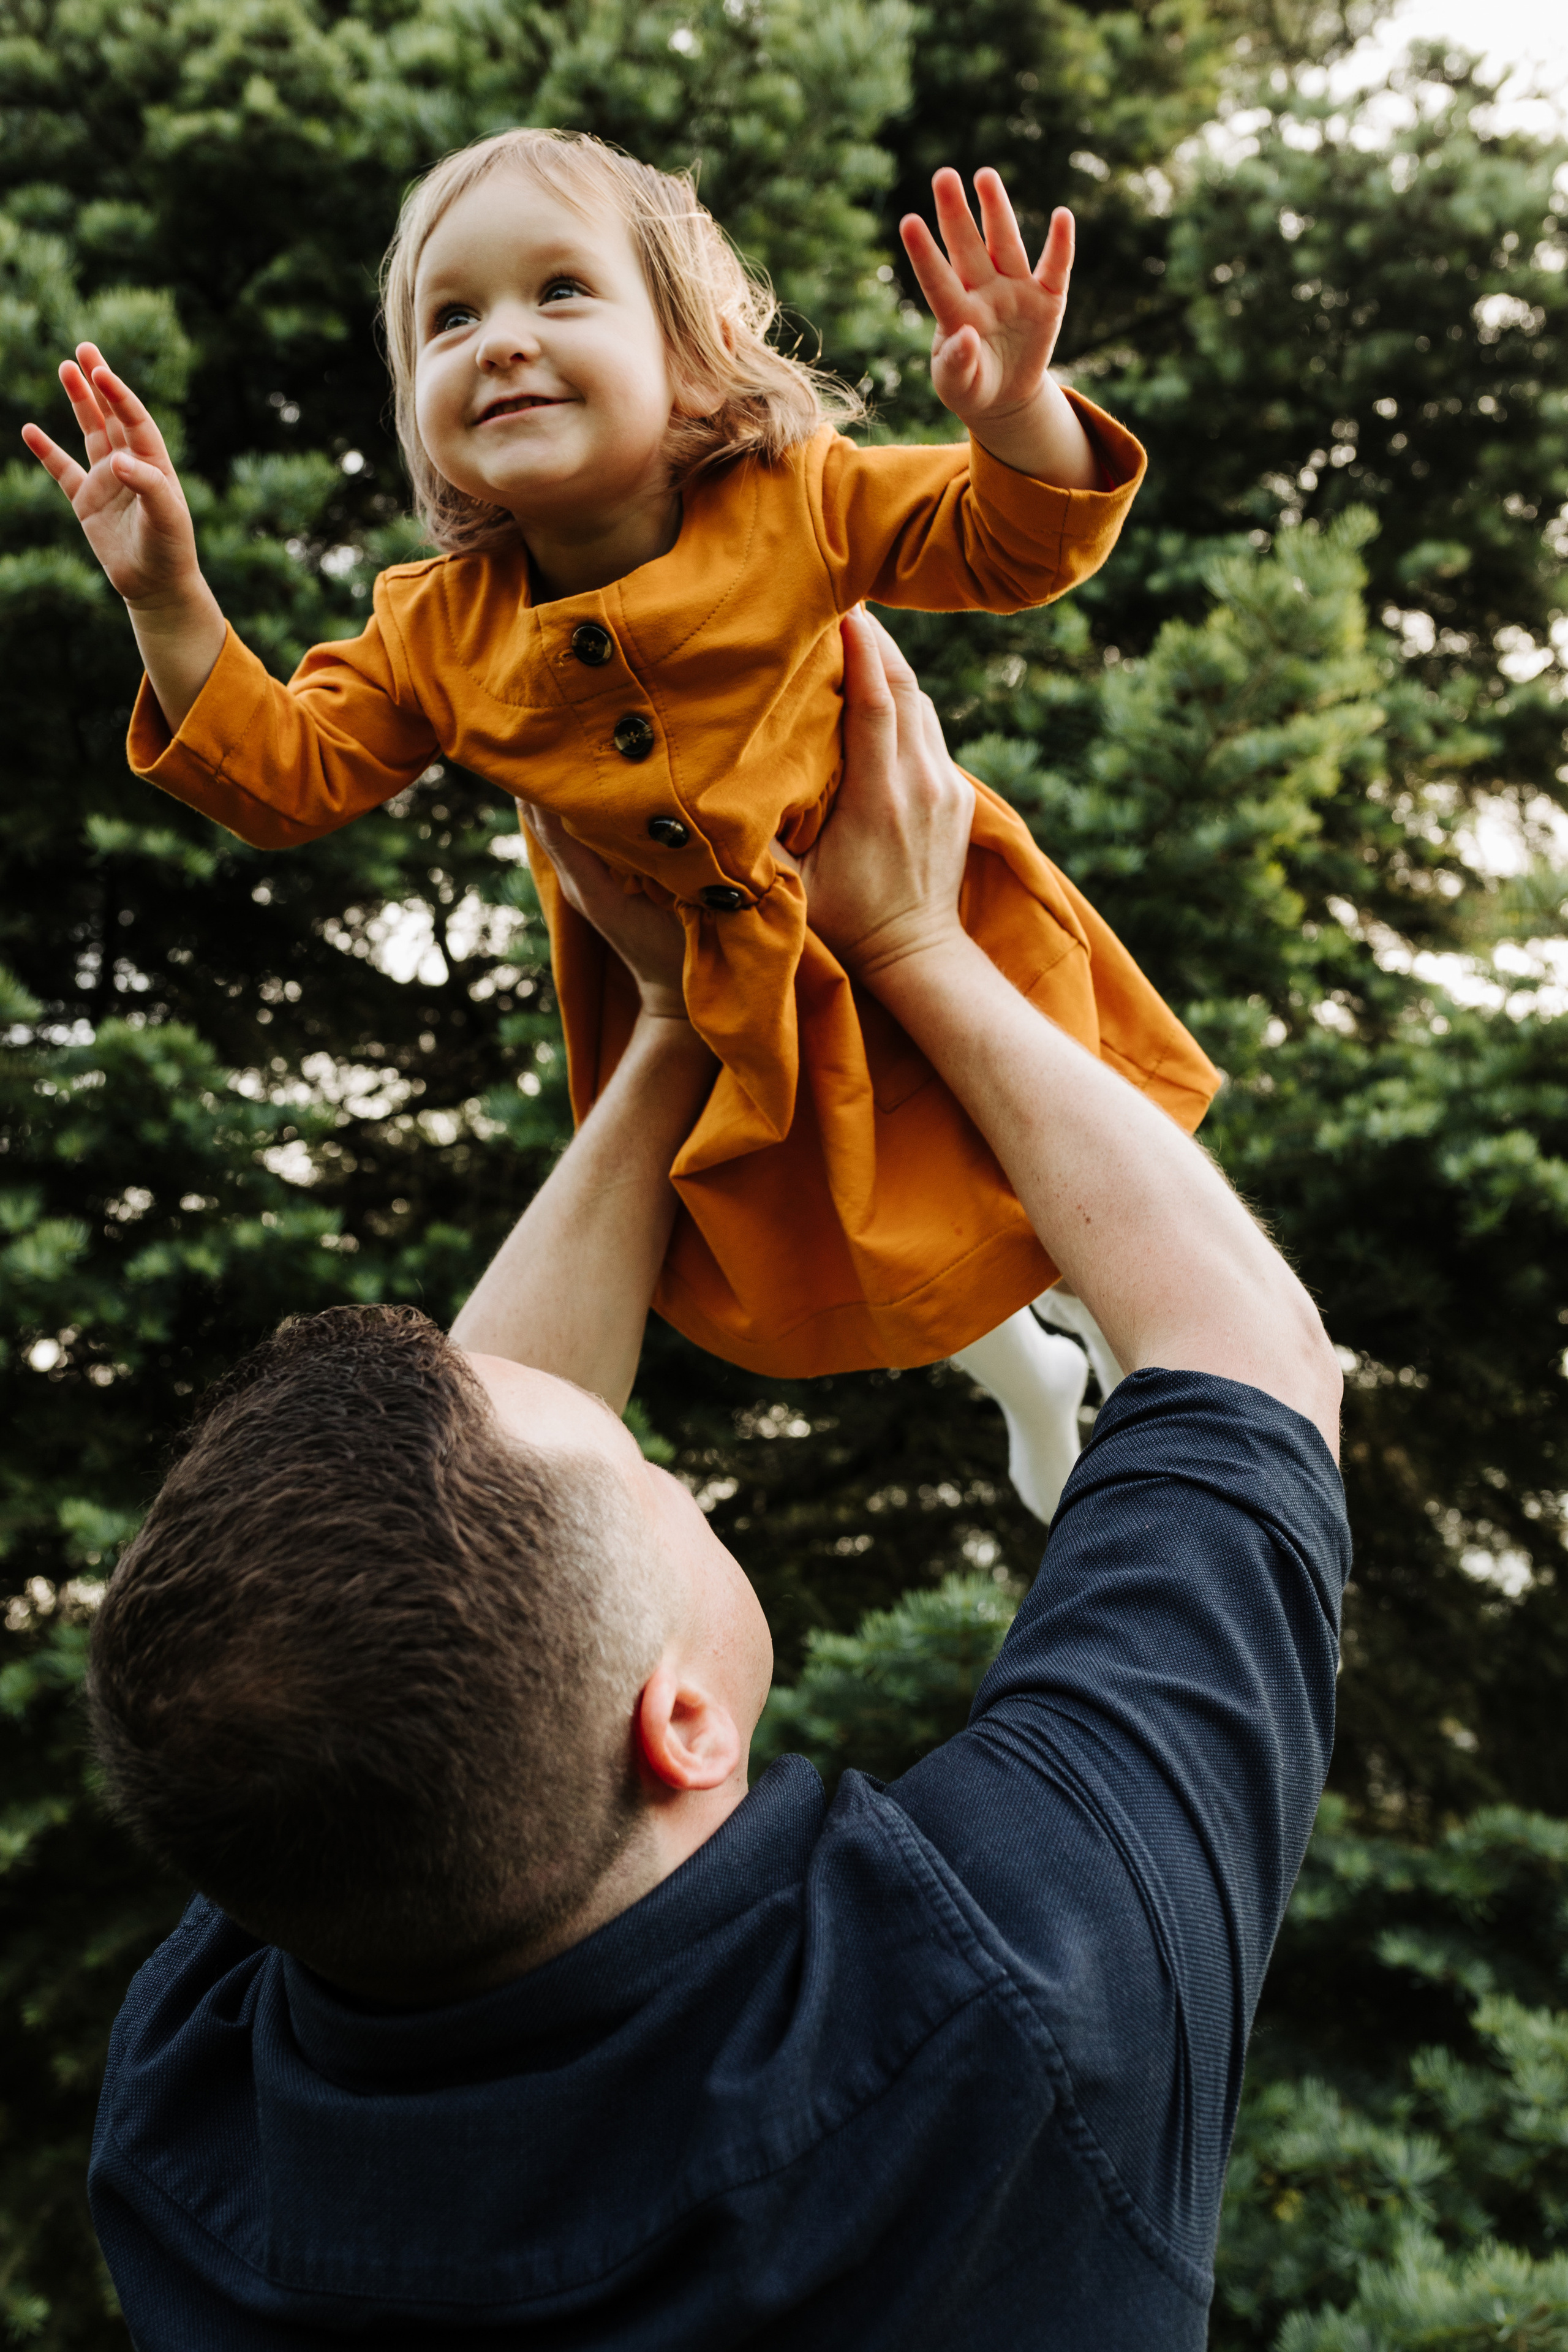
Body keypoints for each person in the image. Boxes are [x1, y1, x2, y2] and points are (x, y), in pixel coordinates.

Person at [85, 610, 1346, 2350]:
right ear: (677, 1725)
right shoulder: (1005, 1993)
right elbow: (1249, 1357)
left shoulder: (208, 2111)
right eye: (639, 1467)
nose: (651, 1446)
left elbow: (458, 1493)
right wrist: (918, 942)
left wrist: (676, 1024)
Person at [21, 127, 1219, 1523]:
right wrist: (170, 602)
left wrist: (1013, 411)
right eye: (450, 319)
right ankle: (1024, 1383)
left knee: (1059, 1196)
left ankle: (1179, 1418)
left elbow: (1012, 543)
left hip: (928, 931)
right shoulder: (433, 627)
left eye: (559, 292)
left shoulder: (799, 499)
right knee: (891, 1248)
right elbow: (289, 778)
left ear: (699, 351)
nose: (501, 342)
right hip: (718, 1012)